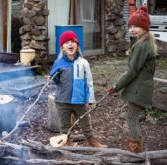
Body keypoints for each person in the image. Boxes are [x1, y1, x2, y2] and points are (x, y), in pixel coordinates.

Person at [109, 5, 157, 153]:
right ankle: (135, 147)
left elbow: (131, 72)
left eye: (136, 26)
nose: (132, 29)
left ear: (144, 28)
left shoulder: (142, 46)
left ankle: (135, 150)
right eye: (130, 26)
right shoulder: (144, 42)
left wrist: (116, 86)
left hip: (140, 89)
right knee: (133, 118)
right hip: (141, 87)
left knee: (131, 119)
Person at [49, 30, 107, 148]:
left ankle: (91, 141)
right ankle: (66, 143)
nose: (70, 44)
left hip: (79, 100)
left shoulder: (83, 63)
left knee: (85, 123)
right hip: (62, 100)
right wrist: (51, 79)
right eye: (66, 43)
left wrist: (90, 99)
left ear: (77, 45)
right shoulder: (58, 63)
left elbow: (89, 82)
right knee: (64, 126)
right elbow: (54, 80)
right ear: (62, 48)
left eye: (72, 42)